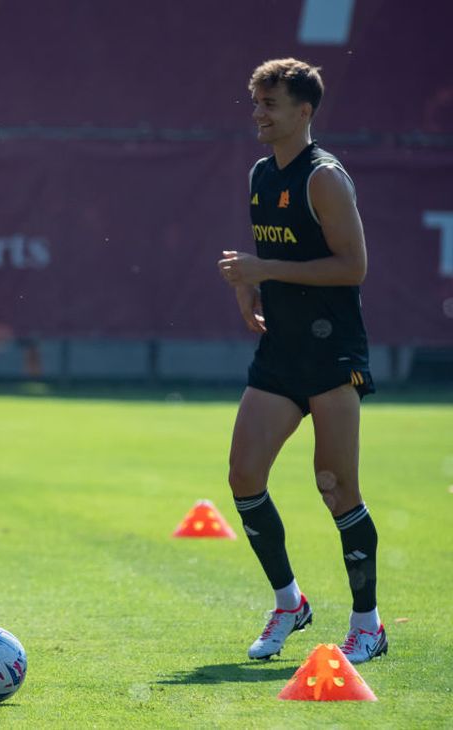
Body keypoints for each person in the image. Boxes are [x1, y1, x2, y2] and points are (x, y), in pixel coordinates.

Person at [218, 59, 385, 664]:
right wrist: (251, 286)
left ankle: (368, 623)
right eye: (256, 102)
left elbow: (353, 268)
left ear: (304, 112)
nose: (259, 113)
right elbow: (277, 258)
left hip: (332, 351)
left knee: (336, 487)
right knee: (243, 477)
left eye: (271, 104)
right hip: (281, 350)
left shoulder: (325, 179)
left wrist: (264, 269)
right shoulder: (262, 173)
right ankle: (290, 602)